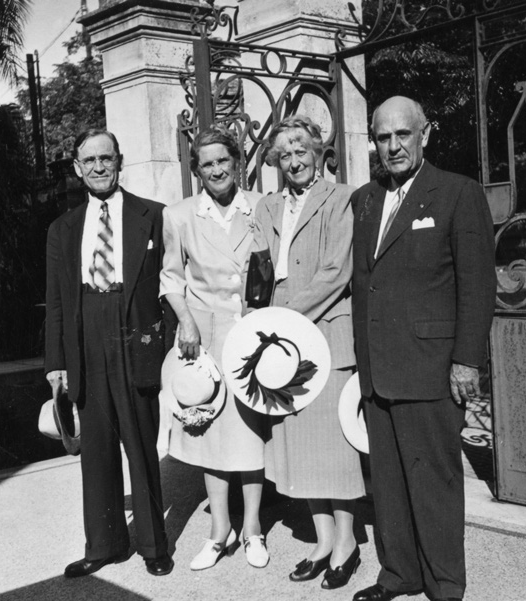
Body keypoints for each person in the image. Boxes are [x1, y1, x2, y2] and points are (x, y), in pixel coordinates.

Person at [351, 96, 496, 601]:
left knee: (434, 482)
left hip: (432, 368)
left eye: (402, 135)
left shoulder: (457, 193)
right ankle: (399, 575)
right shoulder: (365, 199)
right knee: (387, 483)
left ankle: (444, 584)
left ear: (425, 135)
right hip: (378, 370)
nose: (392, 147)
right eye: (383, 137)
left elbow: (478, 286)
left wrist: (465, 360)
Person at [45, 129, 174, 578]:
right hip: (85, 335)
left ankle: (154, 546)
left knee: (140, 443)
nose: (99, 166)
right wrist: (56, 364)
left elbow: (172, 286)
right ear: (78, 168)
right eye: (89, 161)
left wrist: (168, 348)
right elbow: (56, 302)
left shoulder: (153, 215)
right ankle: (104, 544)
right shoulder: (62, 229)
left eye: (106, 157)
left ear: (120, 160)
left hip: (133, 332)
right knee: (96, 447)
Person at [252, 115, 365, 590]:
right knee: (298, 444)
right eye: (285, 153)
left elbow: (338, 272)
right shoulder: (267, 205)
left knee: (334, 449)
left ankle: (348, 542)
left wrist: (283, 315)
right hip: (280, 341)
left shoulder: (342, 199)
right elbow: (257, 272)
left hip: (324, 333)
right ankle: (321, 540)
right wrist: (256, 322)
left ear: (318, 151)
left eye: (302, 149)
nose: (294, 160)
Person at [159, 124, 269, 570]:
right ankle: (219, 530)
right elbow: (171, 278)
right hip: (202, 336)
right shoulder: (180, 215)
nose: (217, 170)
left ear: (237, 162)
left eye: (224, 160)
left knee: (251, 433)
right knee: (208, 432)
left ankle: (254, 530)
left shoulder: (262, 206)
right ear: (197, 171)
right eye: (208, 164)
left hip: (254, 335)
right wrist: (185, 322)